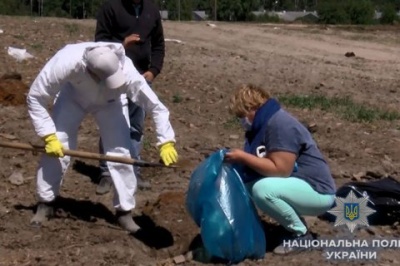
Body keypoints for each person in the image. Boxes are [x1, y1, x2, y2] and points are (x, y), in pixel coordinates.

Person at [26, 42, 178, 232]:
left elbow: (156, 106)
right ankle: (45, 203)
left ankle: (124, 212)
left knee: (120, 152)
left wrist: (166, 141)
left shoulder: (125, 69)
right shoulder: (66, 61)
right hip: (73, 97)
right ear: (90, 72)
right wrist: (47, 135)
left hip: (111, 102)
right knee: (59, 144)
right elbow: (35, 96)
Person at [224, 84, 336, 255]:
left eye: (242, 115)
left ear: (253, 107)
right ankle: (283, 225)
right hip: (299, 185)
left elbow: (281, 170)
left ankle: (300, 235)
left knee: (262, 190)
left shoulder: (280, 125)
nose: (242, 121)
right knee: (247, 183)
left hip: (318, 191)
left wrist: (243, 157)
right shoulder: (265, 124)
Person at [94, 0, 165, 194]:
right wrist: (121, 45)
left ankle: (133, 170)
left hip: (141, 78)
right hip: (115, 75)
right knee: (110, 124)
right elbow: (99, 45)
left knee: (136, 126)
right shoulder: (111, 8)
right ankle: (106, 173)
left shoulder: (151, 10)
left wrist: (153, 70)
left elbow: (158, 44)